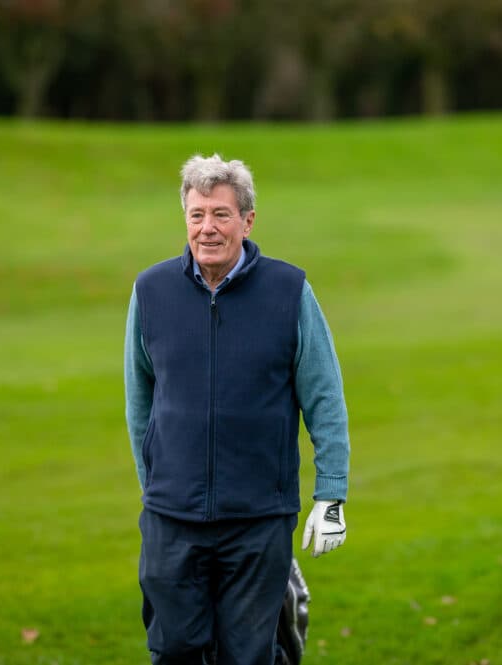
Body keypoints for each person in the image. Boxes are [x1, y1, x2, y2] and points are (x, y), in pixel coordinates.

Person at [124, 154, 350, 665]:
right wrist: (156, 486)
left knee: (248, 656)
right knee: (174, 649)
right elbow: (140, 401)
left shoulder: (289, 291)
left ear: (247, 221)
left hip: (258, 520)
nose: (207, 228)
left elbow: (324, 397)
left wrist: (331, 494)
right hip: (171, 520)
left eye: (221, 215)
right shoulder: (150, 291)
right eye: (197, 214)